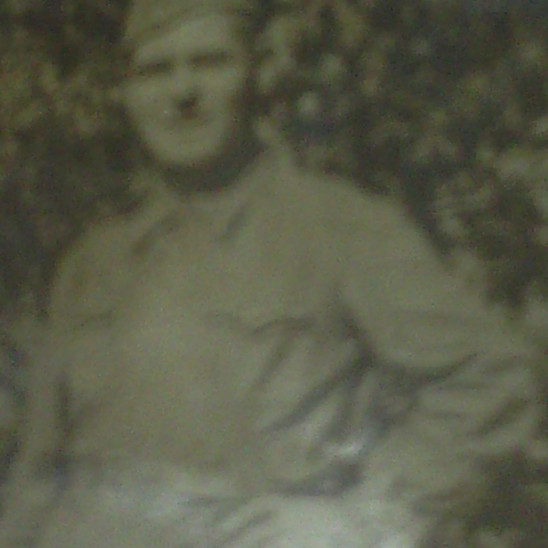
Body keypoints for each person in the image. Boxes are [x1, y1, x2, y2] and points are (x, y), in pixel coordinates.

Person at [0, 0, 544, 546]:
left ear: (257, 75)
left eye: (210, 62)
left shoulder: (341, 227)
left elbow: (494, 380)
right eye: (155, 71)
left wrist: (364, 516)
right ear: (129, 94)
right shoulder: (93, 262)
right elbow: (40, 471)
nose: (182, 91)